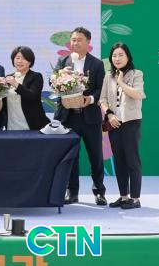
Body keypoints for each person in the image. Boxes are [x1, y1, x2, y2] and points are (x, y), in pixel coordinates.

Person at [54, 27, 106, 205]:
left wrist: (89, 99)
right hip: (68, 117)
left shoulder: (96, 64)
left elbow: (101, 88)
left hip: (90, 117)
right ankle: (72, 192)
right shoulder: (62, 61)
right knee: (71, 157)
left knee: (95, 157)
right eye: (73, 40)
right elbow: (54, 85)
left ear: (88, 42)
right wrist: (60, 78)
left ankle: (99, 192)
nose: (75, 43)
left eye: (79, 40)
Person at [100, 42, 145, 210]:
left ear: (128, 57)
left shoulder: (136, 74)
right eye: (114, 55)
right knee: (119, 161)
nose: (117, 58)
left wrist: (121, 82)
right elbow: (102, 99)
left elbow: (138, 94)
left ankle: (135, 198)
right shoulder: (108, 76)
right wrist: (109, 115)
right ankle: (124, 196)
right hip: (114, 123)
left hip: (131, 122)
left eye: (121, 55)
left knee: (132, 160)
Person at [4, 46, 49, 131]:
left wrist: (16, 84)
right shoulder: (8, 77)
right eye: (17, 58)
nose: (20, 61)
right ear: (13, 60)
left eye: (24, 58)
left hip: (32, 126)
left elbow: (32, 96)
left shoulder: (36, 76)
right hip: (11, 125)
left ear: (30, 61)